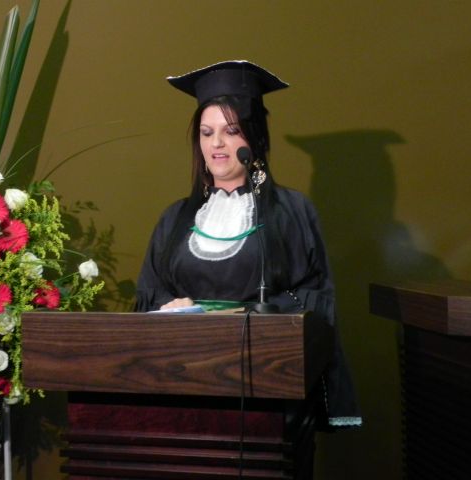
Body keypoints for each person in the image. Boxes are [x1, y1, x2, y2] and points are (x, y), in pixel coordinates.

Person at [136, 60, 361, 432]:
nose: (216, 144)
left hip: (266, 384)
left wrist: (249, 318)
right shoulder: (174, 218)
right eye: (206, 133)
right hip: (184, 383)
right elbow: (151, 291)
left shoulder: (291, 211)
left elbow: (314, 296)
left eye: (231, 131)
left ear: (254, 138)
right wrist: (171, 307)